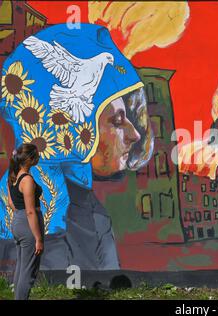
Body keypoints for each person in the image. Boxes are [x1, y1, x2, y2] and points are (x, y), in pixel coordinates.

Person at [0, 23, 153, 270]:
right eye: (117, 120)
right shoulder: (28, 213)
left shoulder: (92, 211)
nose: (135, 134)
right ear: (75, 123)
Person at [7, 143, 44, 300]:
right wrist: (38, 238)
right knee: (28, 272)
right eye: (36, 155)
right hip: (28, 224)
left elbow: (12, 204)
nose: (39, 157)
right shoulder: (27, 180)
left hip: (18, 222)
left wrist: (20, 218)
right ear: (29, 159)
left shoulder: (13, 177)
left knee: (22, 268)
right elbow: (30, 211)